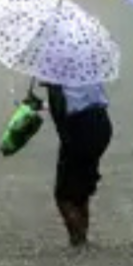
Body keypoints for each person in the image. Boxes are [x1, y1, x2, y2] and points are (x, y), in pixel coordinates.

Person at [41, 80, 113, 247]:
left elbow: (61, 114)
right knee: (81, 190)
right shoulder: (87, 67)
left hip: (78, 129)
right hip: (101, 123)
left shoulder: (56, 78)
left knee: (63, 195)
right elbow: (78, 99)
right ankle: (82, 236)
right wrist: (42, 105)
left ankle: (78, 240)